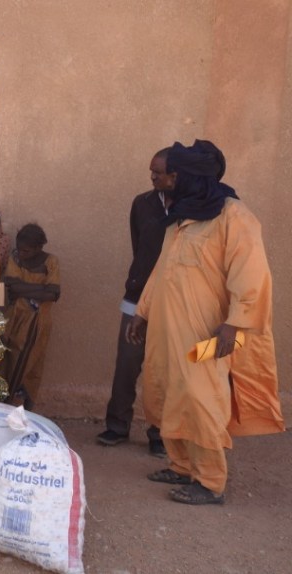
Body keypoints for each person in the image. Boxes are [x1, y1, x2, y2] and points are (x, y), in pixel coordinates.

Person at [128, 140, 283, 506]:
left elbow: (252, 275)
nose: (160, 180)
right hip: (169, 330)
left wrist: (235, 324)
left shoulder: (234, 216)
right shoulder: (181, 217)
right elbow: (162, 270)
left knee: (201, 400)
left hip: (210, 335)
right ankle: (181, 466)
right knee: (169, 394)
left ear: (186, 176)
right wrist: (142, 311)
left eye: (167, 174)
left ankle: (210, 482)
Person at [96, 149, 170, 455]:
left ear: (176, 175)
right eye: (151, 170)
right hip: (137, 297)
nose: (152, 176)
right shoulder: (142, 203)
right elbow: (139, 246)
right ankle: (117, 425)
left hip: (172, 302)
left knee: (163, 371)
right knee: (127, 365)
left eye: (158, 172)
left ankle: (159, 434)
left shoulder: (192, 208)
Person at [0, 224, 60, 410]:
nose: (21, 253)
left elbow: (53, 294)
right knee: (9, 360)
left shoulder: (51, 262)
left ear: (38, 248)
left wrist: (23, 289)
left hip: (38, 322)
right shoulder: (16, 258)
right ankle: (6, 404)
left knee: (32, 364)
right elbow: (12, 286)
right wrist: (41, 289)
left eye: (26, 250)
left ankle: (26, 408)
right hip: (15, 318)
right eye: (19, 248)